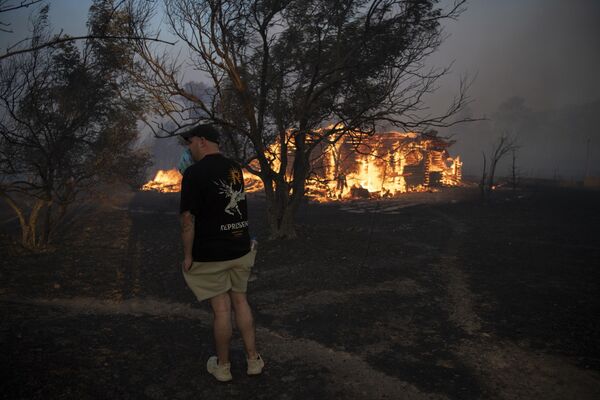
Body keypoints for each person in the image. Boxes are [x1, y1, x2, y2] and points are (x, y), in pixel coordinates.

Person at [179, 123, 264, 382]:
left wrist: (188, 255)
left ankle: (223, 367)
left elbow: (187, 220)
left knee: (222, 311)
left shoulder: (193, 174)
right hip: (239, 247)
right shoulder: (234, 167)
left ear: (202, 141)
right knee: (241, 302)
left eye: (190, 142)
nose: (189, 147)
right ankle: (253, 361)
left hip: (211, 253)